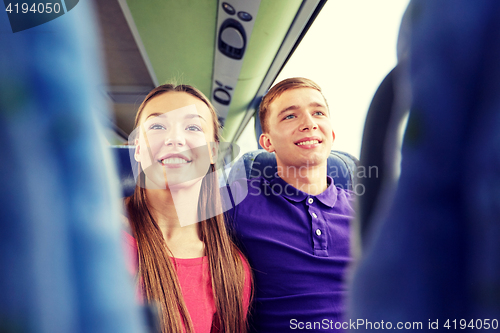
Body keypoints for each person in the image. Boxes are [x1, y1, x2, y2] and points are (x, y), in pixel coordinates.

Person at [226, 78, 354, 332]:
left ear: (332, 134)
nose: (309, 123)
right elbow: (160, 209)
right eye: (290, 116)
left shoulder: (369, 209)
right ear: (267, 142)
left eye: (318, 112)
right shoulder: (237, 201)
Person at [123, 84, 252, 333]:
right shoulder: (95, 234)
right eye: (157, 126)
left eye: (192, 127)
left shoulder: (230, 269)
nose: (174, 138)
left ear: (213, 153)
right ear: (138, 149)